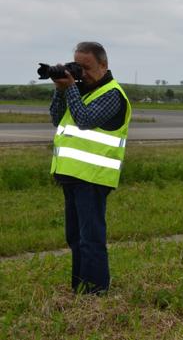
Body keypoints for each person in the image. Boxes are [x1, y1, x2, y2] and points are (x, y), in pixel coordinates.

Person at [49, 42, 132, 294]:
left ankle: (96, 292)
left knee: (91, 238)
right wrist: (60, 90)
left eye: (86, 67)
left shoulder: (112, 94)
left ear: (104, 65)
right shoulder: (82, 90)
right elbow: (57, 117)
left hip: (93, 177)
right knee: (75, 238)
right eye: (76, 67)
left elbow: (84, 120)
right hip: (72, 175)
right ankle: (79, 288)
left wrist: (72, 87)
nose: (81, 73)